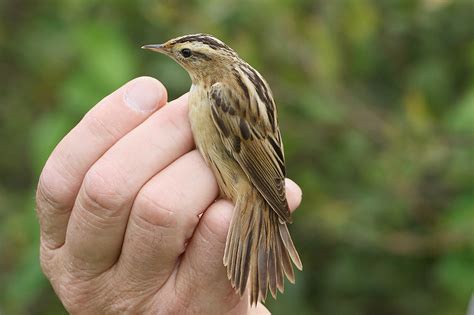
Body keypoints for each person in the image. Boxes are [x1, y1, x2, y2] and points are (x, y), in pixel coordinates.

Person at [35, 77, 302, 314]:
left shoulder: (221, 95)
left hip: (250, 179)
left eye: (186, 54)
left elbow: (250, 150)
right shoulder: (219, 91)